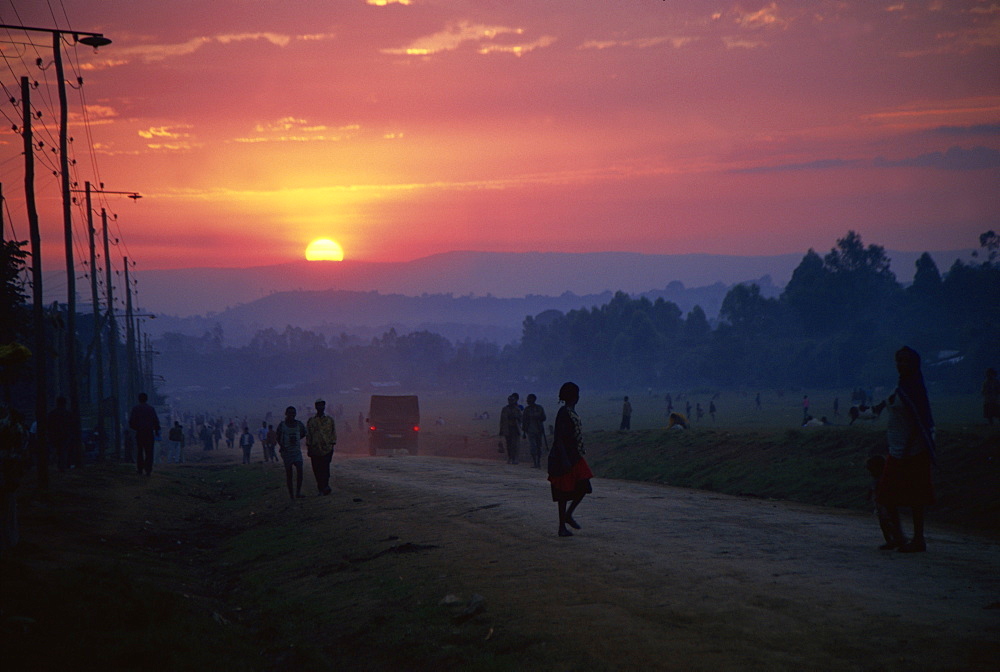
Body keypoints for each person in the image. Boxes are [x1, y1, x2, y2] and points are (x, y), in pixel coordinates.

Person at [875, 346, 936, 553]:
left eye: (905, 361)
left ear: (914, 364)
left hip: (913, 451)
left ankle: (918, 539)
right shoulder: (901, 387)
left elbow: (920, 421)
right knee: (886, 494)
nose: (900, 365)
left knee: (915, 497)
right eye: (898, 361)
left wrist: (909, 445)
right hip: (897, 448)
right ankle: (898, 536)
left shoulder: (915, 388)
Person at [548, 382, 593, 537]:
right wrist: (565, 459)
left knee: (583, 486)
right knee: (563, 493)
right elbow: (559, 438)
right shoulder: (564, 412)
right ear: (574, 396)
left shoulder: (569, 411)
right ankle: (562, 525)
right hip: (565, 456)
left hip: (574, 455)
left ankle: (567, 516)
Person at [865, 455, 900, 550]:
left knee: (887, 523)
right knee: (885, 524)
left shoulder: (882, 480)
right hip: (881, 506)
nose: (871, 473)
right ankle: (892, 540)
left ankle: (894, 540)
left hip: (884, 505)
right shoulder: (879, 479)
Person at [306, 399, 337, 495]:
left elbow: (333, 434)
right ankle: (321, 487)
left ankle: (325, 486)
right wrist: (309, 448)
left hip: (327, 449)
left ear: (324, 407)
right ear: (315, 407)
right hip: (315, 450)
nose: (320, 407)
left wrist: (331, 446)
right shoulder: (311, 421)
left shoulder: (329, 420)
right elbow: (309, 435)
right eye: (318, 405)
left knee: (325, 469)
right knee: (317, 470)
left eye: (322, 405)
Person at [275, 406, 306, 500]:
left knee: (300, 471)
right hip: (287, 452)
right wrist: (282, 446)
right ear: (286, 414)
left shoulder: (299, 424)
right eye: (290, 413)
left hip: (296, 451)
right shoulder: (282, 425)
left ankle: (297, 492)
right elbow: (278, 436)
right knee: (289, 474)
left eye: (293, 413)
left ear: (295, 414)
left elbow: (303, 433)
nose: (292, 415)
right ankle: (292, 495)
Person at [129, 392, 160, 477]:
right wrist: (156, 430)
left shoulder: (135, 409)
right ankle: (148, 470)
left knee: (139, 451)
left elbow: (131, 422)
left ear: (139, 399)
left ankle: (140, 469)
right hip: (149, 433)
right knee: (149, 452)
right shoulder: (151, 409)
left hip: (140, 433)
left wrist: (137, 428)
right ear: (146, 399)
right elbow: (156, 421)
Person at [46, 396, 76, 472]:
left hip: (55, 436)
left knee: (57, 451)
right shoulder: (68, 414)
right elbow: (72, 425)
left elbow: (48, 426)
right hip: (65, 436)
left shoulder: (52, 414)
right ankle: (63, 466)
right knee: (64, 451)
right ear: (65, 403)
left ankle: (58, 466)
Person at [522, 394, 547, 469]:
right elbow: (524, 420)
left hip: (539, 430)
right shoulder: (527, 410)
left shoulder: (539, 408)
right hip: (530, 431)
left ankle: (538, 462)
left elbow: (543, 418)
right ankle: (535, 462)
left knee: (539, 446)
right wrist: (524, 431)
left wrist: (538, 417)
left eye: (529, 399)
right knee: (533, 447)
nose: (527, 401)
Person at [499, 394, 522, 465]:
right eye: (510, 400)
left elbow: (521, 418)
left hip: (515, 428)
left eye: (512, 400)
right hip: (507, 428)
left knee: (515, 445)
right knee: (508, 444)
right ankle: (510, 458)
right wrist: (501, 430)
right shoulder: (505, 409)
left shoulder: (517, 409)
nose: (510, 402)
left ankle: (515, 458)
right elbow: (502, 420)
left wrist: (516, 417)